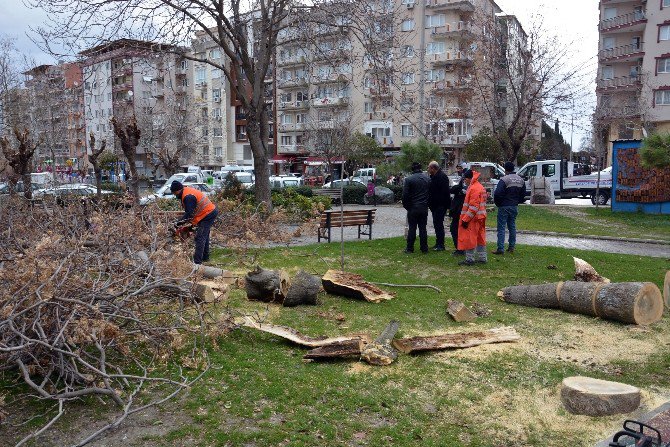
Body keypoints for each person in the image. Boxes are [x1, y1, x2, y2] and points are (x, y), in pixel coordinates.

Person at [171, 180, 218, 264]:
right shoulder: (186, 192)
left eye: (174, 193)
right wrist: (187, 225)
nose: (174, 195)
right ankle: (205, 257)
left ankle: (197, 262)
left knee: (200, 238)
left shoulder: (188, 197)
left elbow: (189, 214)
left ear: (177, 190)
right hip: (206, 213)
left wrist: (178, 223)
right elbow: (191, 213)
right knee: (204, 236)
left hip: (207, 214)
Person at [492, 161, 526, 255]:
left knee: (501, 227)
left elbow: (498, 193)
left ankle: (500, 248)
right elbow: (523, 194)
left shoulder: (504, 179)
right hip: (514, 206)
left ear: (505, 169)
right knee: (512, 226)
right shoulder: (520, 180)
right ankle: (511, 247)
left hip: (504, 206)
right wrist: (517, 201)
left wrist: (498, 203)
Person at [457, 169, 487, 266]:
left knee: (470, 238)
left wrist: (465, 219)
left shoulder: (474, 188)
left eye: (465, 178)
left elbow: (473, 207)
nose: (464, 180)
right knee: (480, 238)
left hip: (473, 218)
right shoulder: (479, 187)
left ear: (469, 178)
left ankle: (469, 259)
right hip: (480, 217)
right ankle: (483, 258)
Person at [402, 162, 430, 254]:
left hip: (413, 207)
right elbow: (430, 193)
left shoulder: (409, 179)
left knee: (412, 228)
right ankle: (424, 248)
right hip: (423, 207)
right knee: (423, 228)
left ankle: (410, 248)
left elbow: (405, 195)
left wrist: (407, 206)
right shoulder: (427, 179)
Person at [427, 160, 451, 251]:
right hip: (435, 205)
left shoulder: (442, 177)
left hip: (440, 205)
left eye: (429, 168)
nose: (428, 169)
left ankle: (441, 244)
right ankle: (438, 243)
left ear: (433, 168)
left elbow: (444, 193)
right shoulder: (434, 176)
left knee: (439, 225)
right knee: (436, 225)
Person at [449, 162, 468, 256]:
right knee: (457, 229)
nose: (458, 170)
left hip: (460, 208)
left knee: (455, 228)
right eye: (457, 168)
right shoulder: (461, 178)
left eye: (460, 168)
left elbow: (455, 189)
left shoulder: (463, 178)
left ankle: (460, 249)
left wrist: (456, 190)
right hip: (459, 207)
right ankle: (461, 248)